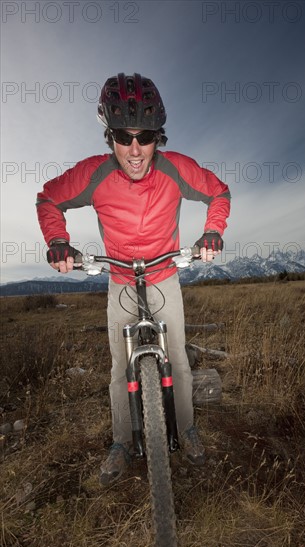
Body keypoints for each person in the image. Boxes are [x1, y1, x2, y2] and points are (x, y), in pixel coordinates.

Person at [36, 73, 231, 486]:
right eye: (124, 137)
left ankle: (188, 429)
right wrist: (57, 240)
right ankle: (122, 443)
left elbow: (219, 192)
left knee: (177, 359)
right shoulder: (95, 173)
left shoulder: (176, 168)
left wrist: (213, 231)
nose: (136, 149)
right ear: (110, 138)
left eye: (146, 136)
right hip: (121, 280)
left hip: (164, 275)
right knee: (117, 367)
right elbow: (49, 198)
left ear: (158, 136)